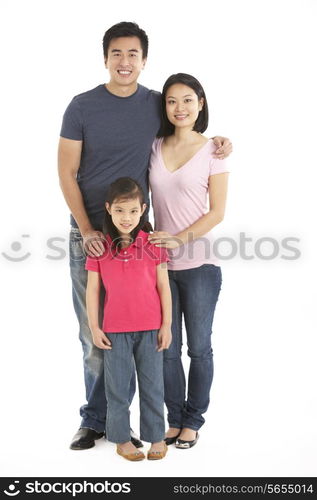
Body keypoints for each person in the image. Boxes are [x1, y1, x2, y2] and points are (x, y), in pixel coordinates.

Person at [58, 21, 233, 450]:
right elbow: (65, 170)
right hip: (90, 233)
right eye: (116, 53)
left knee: (143, 328)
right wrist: (86, 227)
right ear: (105, 58)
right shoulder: (81, 106)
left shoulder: (154, 104)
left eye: (133, 54)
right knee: (93, 329)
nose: (124, 61)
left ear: (143, 60)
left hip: (138, 238)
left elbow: (184, 125)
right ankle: (95, 419)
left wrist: (219, 142)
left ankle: (148, 422)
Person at [148, 73, 229, 449]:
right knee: (167, 349)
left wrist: (179, 239)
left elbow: (217, 213)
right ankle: (174, 419)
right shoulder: (154, 145)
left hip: (200, 266)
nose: (180, 108)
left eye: (187, 100)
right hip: (160, 267)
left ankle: (193, 421)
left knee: (199, 348)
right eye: (171, 101)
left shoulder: (214, 150)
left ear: (201, 103)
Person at [85, 177, 171, 461]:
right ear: (108, 208)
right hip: (115, 332)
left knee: (153, 386)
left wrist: (167, 325)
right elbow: (93, 290)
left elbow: (163, 286)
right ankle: (121, 439)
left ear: (143, 210)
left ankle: (157, 436)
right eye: (120, 210)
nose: (127, 217)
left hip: (150, 329)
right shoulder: (100, 248)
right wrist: (94, 327)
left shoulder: (153, 244)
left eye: (133, 211)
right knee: (118, 389)